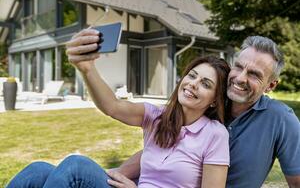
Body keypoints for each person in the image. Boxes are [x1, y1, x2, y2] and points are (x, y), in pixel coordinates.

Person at [6, 28, 231, 188]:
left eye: (205, 84)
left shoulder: (214, 134)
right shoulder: (157, 116)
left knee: (76, 166)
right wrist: (87, 69)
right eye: (192, 75)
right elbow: (112, 106)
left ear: (214, 100)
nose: (193, 83)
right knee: (38, 170)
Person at [109, 35, 300, 188]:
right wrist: (116, 173)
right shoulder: (207, 99)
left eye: (254, 74)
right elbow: (164, 149)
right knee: (81, 170)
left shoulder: (281, 120)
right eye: (239, 67)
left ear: (271, 85)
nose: (240, 78)